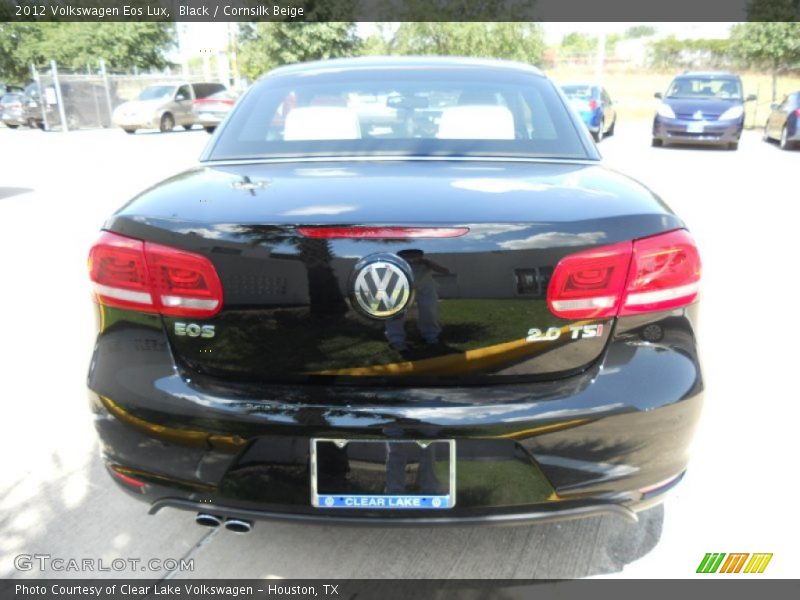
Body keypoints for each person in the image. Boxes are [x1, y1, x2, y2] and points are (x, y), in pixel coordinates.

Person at [385, 249, 450, 352]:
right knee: (397, 313)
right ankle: (396, 340)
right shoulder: (395, 264)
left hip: (426, 288)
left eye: (414, 255)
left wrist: (429, 263)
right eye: (407, 255)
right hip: (401, 288)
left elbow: (445, 271)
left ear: (420, 256)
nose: (411, 257)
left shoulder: (427, 263)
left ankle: (432, 337)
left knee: (429, 311)